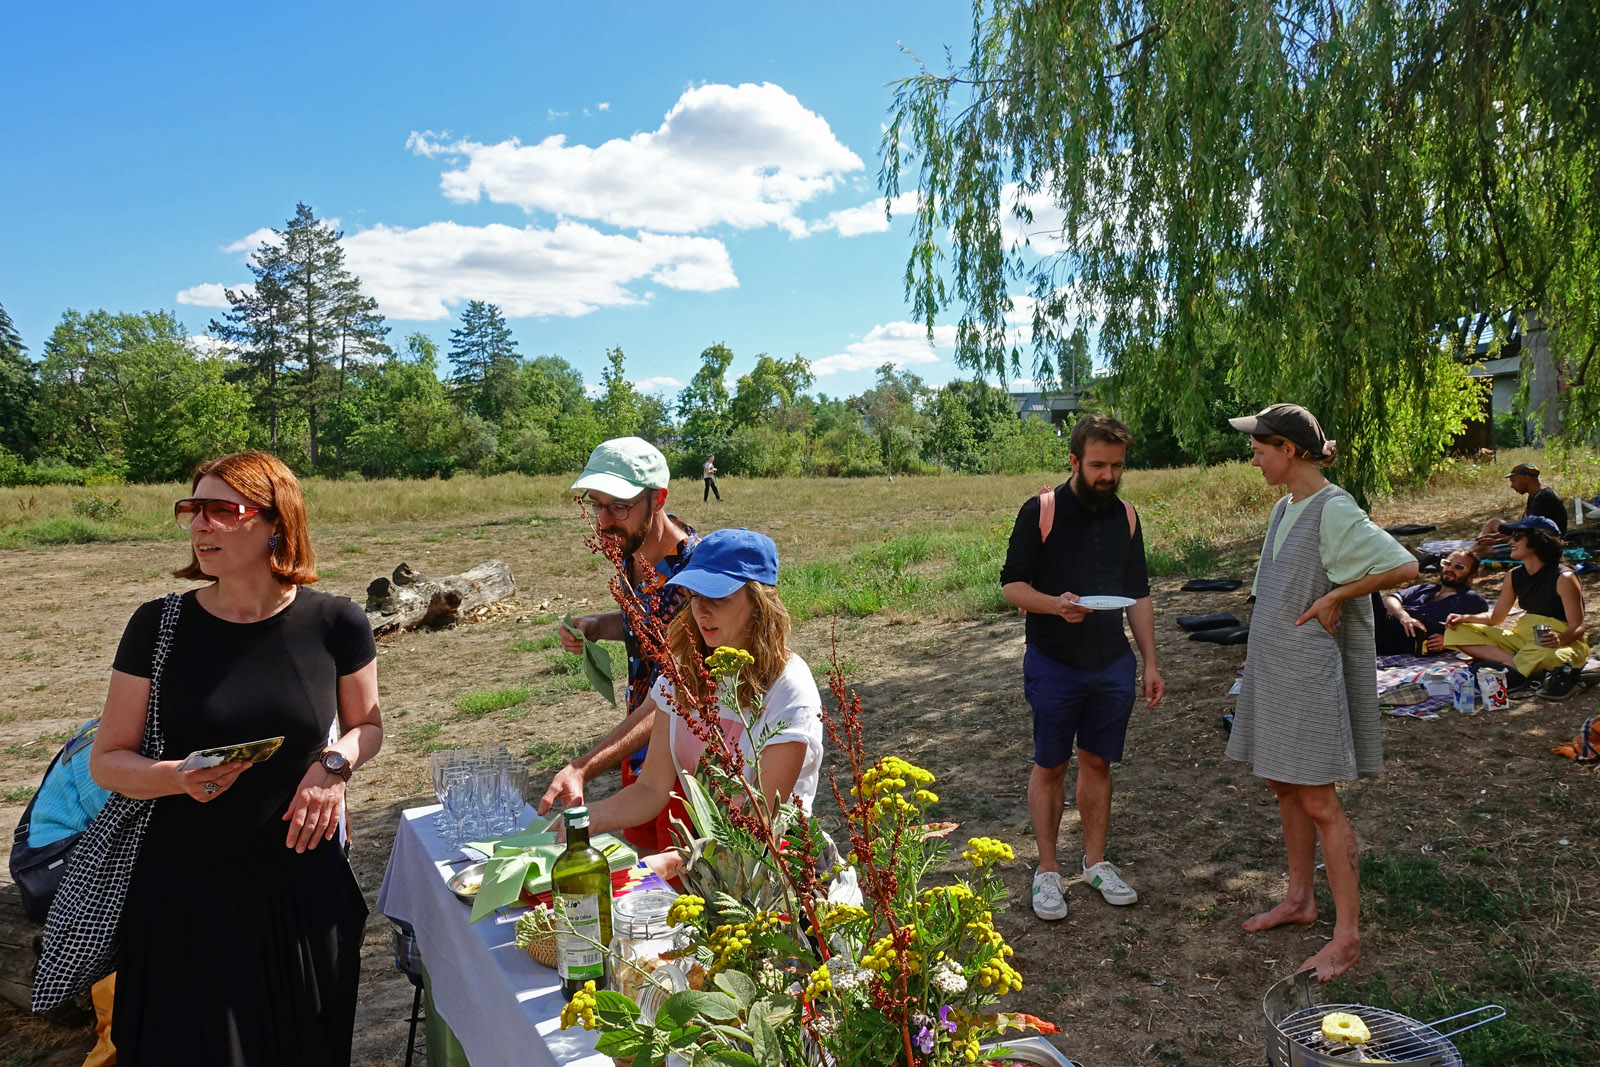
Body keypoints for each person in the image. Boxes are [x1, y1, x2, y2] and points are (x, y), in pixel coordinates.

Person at [90, 451, 382, 1066]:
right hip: (185, 892)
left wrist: (333, 769)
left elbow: (368, 727)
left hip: (302, 887)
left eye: (223, 510)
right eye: (191, 509)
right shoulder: (157, 625)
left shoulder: (336, 622)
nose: (201, 525)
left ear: (278, 523)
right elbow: (108, 760)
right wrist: (175, 775)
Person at [1224, 404, 1417, 981]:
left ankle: (1348, 937)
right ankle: (1300, 899)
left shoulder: (1334, 508)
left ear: (1289, 449)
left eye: (1260, 447)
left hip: (1306, 672)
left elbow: (1403, 566)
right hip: (1274, 666)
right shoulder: (1286, 506)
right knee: (1285, 785)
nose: (1253, 456)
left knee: (1319, 801)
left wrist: (1336, 598)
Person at [999, 413, 1164, 922]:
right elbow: (1011, 586)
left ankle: (1095, 862)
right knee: (1051, 764)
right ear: (1074, 461)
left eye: (1116, 466)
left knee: (1098, 763)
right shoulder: (1041, 511)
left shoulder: (1127, 517)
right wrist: (1055, 604)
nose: (1107, 476)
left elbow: (1137, 594)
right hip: (1054, 662)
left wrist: (1150, 662)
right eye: (1097, 465)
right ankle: (1047, 870)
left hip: (1111, 663)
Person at [582, 529, 823, 851]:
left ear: (759, 602)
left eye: (718, 598)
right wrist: (582, 821)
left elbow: (760, 824)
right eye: (694, 595)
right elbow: (651, 788)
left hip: (778, 871)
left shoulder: (789, 689)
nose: (701, 611)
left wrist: (674, 863)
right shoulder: (684, 672)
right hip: (709, 862)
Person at [540, 437, 699, 853]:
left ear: (658, 498)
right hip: (638, 749)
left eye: (619, 507)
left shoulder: (694, 577)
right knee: (644, 870)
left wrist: (584, 766)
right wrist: (599, 626)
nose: (604, 522)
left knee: (678, 889)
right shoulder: (632, 548)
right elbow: (646, 624)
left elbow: (676, 695)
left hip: (687, 765)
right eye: (597, 505)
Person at [1444, 515, 1589, 700]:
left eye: (1517, 536)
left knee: (1542, 653)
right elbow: (1495, 618)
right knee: (1456, 630)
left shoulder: (1564, 577)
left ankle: (1514, 671)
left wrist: (1560, 639)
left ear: (1538, 540)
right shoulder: (1513, 575)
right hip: (1521, 639)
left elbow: (1578, 626)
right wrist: (1464, 618)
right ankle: (1511, 665)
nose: (1510, 541)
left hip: (1558, 643)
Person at [1371, 549, 1488, 655]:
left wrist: (1448, 641)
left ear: (1471, 576)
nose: (1450, 569)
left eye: (1459, 567)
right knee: (1368, 591)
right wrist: (1403, 616)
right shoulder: (1424, 588)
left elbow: (1480, 633)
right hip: (1382, 624)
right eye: (1447, 563)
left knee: (1368, 591)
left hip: (1402, 643)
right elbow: (1390, 599)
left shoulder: (1471, 600)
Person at [1476, 462, 1567, 555]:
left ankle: (1472, 552)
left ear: (1526, 478)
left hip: (1542, 545)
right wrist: (1493, 536)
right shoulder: (1534, 495)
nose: (1512, 486)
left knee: (1482, 551)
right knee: (1493, 523)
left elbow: (1532, 535)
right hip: (1530, 537)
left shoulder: (1544, 498)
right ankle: (1476, 545)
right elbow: (1523, 529)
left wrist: (1496, 541)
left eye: (1513, 481)